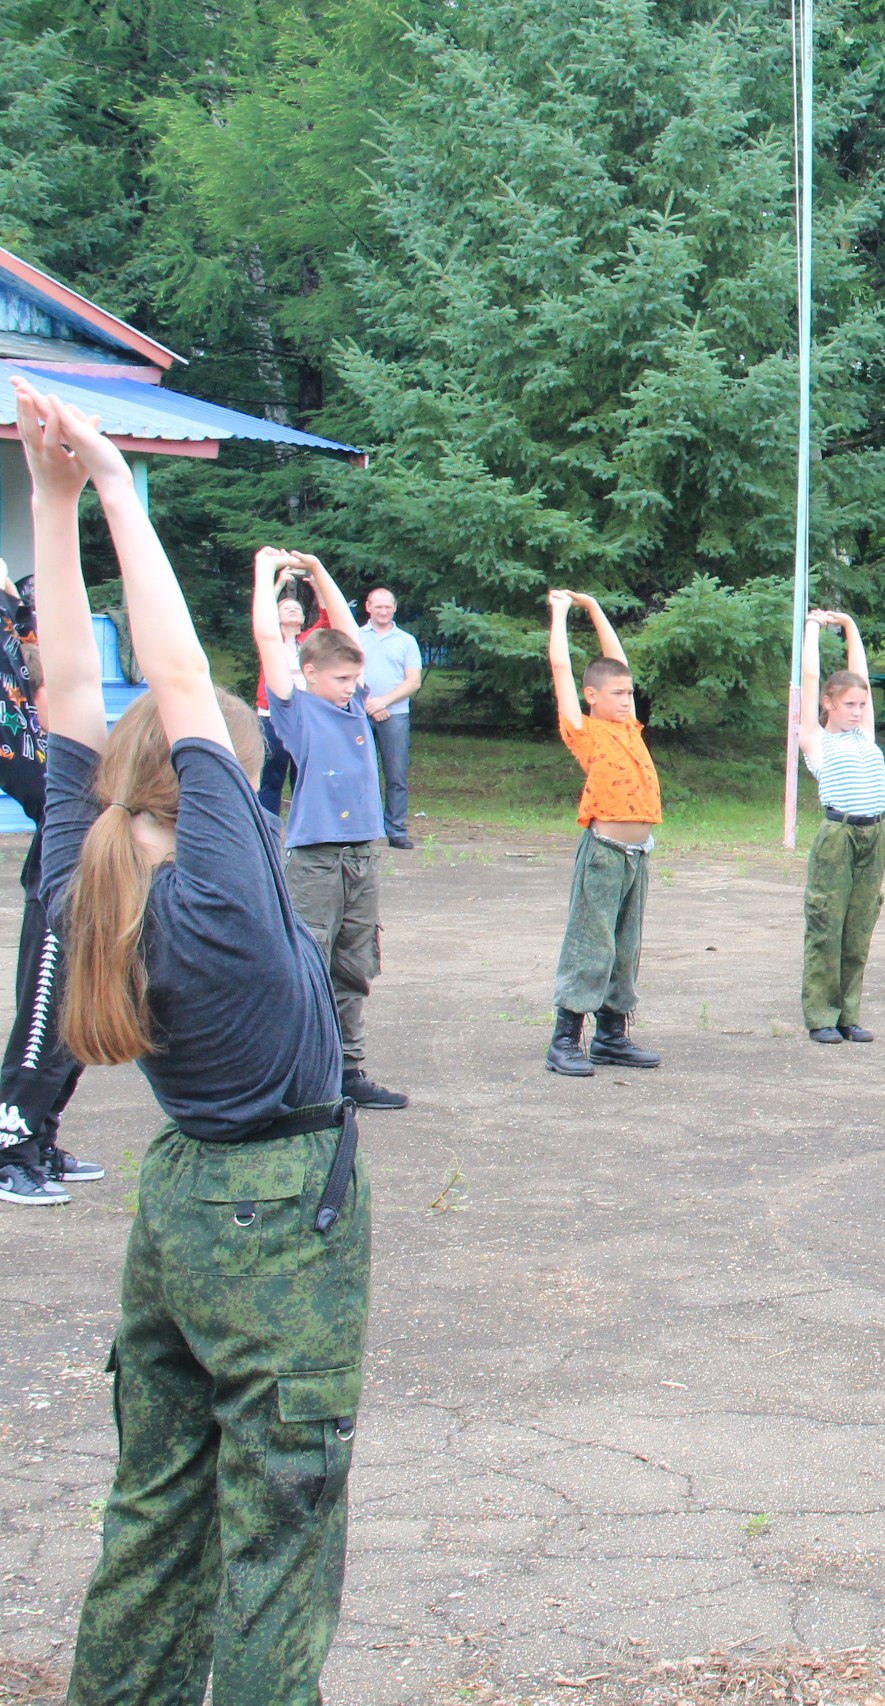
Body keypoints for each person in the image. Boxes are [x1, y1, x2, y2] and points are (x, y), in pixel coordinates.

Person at [13, 376, 369, 1704]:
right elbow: (163, 677)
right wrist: (107, 480)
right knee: (279, 1531)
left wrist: (50, 506)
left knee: (158, 1508)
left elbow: (65, 691)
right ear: (199, 768)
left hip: (179, 1203)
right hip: (279, 1208)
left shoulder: (80, 884)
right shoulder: (219, 891)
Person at [253, 548, 409, 1112]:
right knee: (306, 965)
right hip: (315, 859)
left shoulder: (352, 704)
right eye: (341, 678)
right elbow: (272, 642)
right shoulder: (296, 708)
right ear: (310, 674)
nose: (351, 686)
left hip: (360, 857)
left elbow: (347, 635)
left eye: (355, 678)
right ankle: (296, 1076)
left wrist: (317, 572)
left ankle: (347, 1070)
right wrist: (266, 577)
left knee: (354, 966)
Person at [0, 576, 95, 1205]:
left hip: (77, 827)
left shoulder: (16, 628)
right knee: (47, 1007)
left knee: (79, 1010)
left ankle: (40, 1134)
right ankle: (12, 1148)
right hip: (63, 834)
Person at [543, 589, 664, 1076]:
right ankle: (565, 1038)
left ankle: (612, 1035)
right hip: (604, 853)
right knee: (590, 944)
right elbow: (560, 669)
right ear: (592, 697)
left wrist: (592, 609)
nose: (625, 700)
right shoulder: (585, 730)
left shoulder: (629, 727)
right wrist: (559, 613)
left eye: (629, 694)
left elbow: (617, 659)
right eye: (616, 694)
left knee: (625, 945)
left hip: (638, 854)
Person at [797, 608, 885, 1045]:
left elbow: (860, 673)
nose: (856, 711)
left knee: (859, 926)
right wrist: (813, 628)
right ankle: (821, 1015)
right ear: (828, 706)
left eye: (861, 705)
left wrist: (851, 625)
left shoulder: (863, 735)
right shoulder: (817, 737)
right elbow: (810, 679)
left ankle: (849, 1013)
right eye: (848, 704)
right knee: (827, 924)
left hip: (874, 835)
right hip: (839, 835)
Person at [356, 585, 423, 849]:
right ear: (368, 607)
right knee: (361, 772)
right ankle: (363, 829)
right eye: (377, 606)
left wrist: (383, 702)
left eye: (388, 606)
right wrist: (368, 704)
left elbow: (413, 681)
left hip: (395, 714)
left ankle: (396, 830)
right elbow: (347, 674)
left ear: (394, 608)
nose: (383, 611)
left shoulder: (406, 641)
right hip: (359, 713)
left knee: (396, 774)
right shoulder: (355, 636)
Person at [254, 579, 325, 819]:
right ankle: (267, 827)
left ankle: (304, 828)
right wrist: (278, 584)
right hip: (271, 715)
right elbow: (261, 615)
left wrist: (317, 585)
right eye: (286, 608)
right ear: (276, 616)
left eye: (297, 608)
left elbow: (326, 617)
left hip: (304, 715)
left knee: (303, 776)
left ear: (304, 618)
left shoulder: (311, 640)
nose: (292, 609)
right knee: (271, 777)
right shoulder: (270, 641)